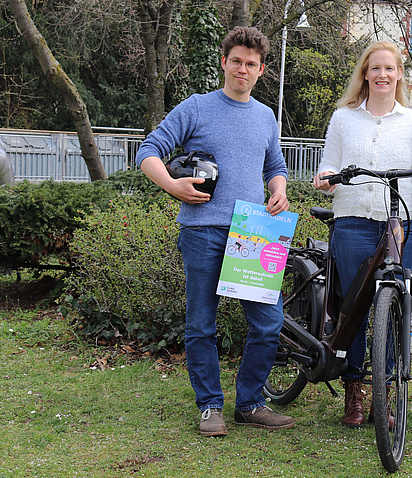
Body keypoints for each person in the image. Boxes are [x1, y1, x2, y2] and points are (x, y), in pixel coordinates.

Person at [136, 26, 294, 437]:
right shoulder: (196, 107)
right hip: (203, 231)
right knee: (202, 325)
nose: (243, 69)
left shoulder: (265, 116)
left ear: (261, 70)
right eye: (237, 61)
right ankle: (210, 407)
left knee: (268, 323)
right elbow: (148, 151)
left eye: (252, 64)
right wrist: (173, 186)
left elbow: (275, 167)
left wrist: (278, 190)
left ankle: (250, 403)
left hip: (253, 232)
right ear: (224, 62)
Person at [312, 41, 412, 428]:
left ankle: (382, 393)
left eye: (389, 68)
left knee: (389, 309)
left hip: (400, 226)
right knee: (353, 312)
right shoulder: (343, 118)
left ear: (399, 74)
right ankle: (354, 389)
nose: (382, 75)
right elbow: (328, 166)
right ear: (364, 74)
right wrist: (326, 180)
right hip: (351, 222)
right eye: (374, 68)